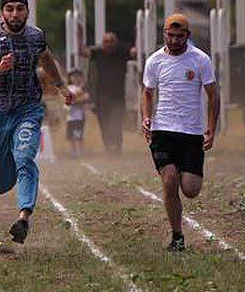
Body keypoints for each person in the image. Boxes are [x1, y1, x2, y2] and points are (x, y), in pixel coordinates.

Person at [0, 0, 74, 244]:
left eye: (20, 8)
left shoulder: (36, 35)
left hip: (29, 109)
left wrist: (61, 86)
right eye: (10, 9)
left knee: (25, 157)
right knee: (1, 184)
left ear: (27, 11)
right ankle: (14, 169)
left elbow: (46, 58)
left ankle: (23, 217)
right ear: (2, 12)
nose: (15, 14)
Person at [141, 14, 219, 252]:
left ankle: (177, 228)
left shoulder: (200, 60)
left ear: (188, 36)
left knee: (191, 189)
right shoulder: (154, 61)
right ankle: (177, 236)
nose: (174, 40)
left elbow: (213, 95)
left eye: (179, 36)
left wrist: (211, 128)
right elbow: (147, 92)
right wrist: (146, 117)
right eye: (170, 35)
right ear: (164, 33)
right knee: (170, 179)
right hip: (162, 130)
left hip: (191, 132)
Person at [87, 30, 127, 153]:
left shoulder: (122, 53)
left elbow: (135, 51)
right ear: (102, 43)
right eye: (106, 41)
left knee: (117, 123)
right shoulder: (97, 54)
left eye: (111, 41)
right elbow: (82, 51)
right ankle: (108, 147)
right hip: (101, 98)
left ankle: (117, 147)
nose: (109, 44)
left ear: (116, 43)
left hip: (118, 97)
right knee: (104, 124)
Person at [65, 68, 89, 158]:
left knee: (78, 134)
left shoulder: (82, 88)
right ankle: (73, 151)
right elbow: (66, 100)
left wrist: (76, 100)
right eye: (73, 76)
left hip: (79, 116)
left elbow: (86, 98)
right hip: (70, 117)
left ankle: (79, 151)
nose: (75, 78)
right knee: (70, 135)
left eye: (77, 76)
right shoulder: (68, 88)